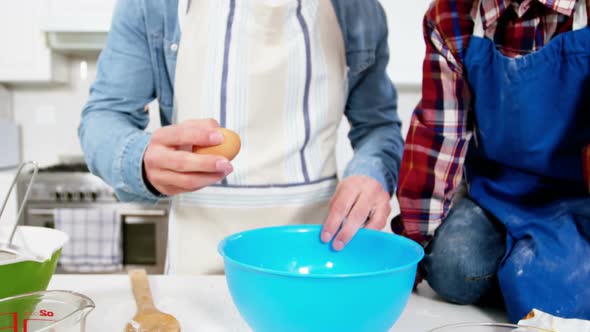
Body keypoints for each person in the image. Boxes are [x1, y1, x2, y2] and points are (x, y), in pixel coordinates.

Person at [79, 0, 403, 275]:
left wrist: (370, 171)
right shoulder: (156, 6)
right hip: (198, 269)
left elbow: (378, 125)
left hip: (315, 264)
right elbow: (103, 117)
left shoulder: (359, 10)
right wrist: (141, 160)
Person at [394, 0, 590, 323]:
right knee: (450, 267)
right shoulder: (451, 15)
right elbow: (438, 137)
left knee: (549, 299)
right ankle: (524, 265)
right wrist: (408, 253)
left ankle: (531, 270)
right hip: (496, 197)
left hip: (576, 197)